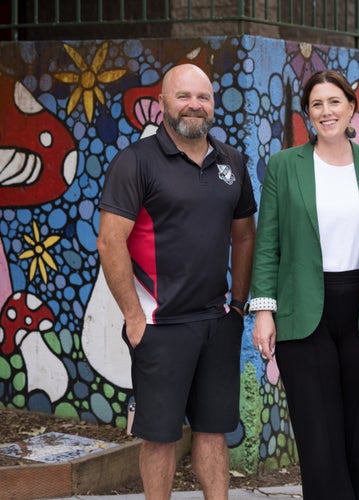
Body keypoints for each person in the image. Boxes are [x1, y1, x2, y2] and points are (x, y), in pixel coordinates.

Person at [96, 63, 257, 499]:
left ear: (213, 104)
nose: (194, 105)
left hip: (217, 321)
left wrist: (239, 306)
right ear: (164, 102)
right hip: (158, 326)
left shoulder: (232, 161)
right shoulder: (136, 162)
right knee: (161, 435)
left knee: (213, 431)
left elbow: (245, 235)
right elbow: (111, 243)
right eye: (184, 96)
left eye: (203, 97)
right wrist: (133, 314)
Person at [249, 70, 359, 500]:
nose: (326, 111)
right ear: (308, 115)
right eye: (317, 104)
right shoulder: (284, 166)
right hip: (302, 309)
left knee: (355, 434)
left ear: (351, 107)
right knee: (317, 434)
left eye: (334, 102)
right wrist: (264, 310)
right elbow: (268, 243)